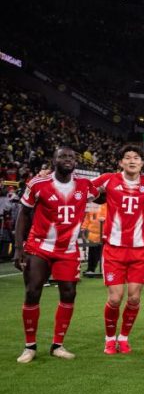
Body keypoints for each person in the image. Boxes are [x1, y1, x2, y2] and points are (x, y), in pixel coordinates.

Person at [13, 147, 96, 363]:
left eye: (71, 157)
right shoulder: (38, 183)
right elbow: (24, 214)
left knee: (69, 293)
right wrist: (19, 248)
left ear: (76, 162)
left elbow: (107, 189)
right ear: (54, 160)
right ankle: (30, 347)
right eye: (63, 156)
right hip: (39, 247)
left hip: (67, 249)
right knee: (32, 291)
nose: (68, 159)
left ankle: (57, 345)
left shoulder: (85, 185)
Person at [92, 144, 144, 354]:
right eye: (127, 157)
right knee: (115, 298)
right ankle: (109, 339)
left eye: (136, 157)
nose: (132, 160)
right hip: (114, 249)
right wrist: (48, 176)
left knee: (134, 298)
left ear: (142, 163)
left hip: (139, 251)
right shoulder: (108, 179)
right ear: (120, 162)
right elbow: (80, 186)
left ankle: (123, 338)